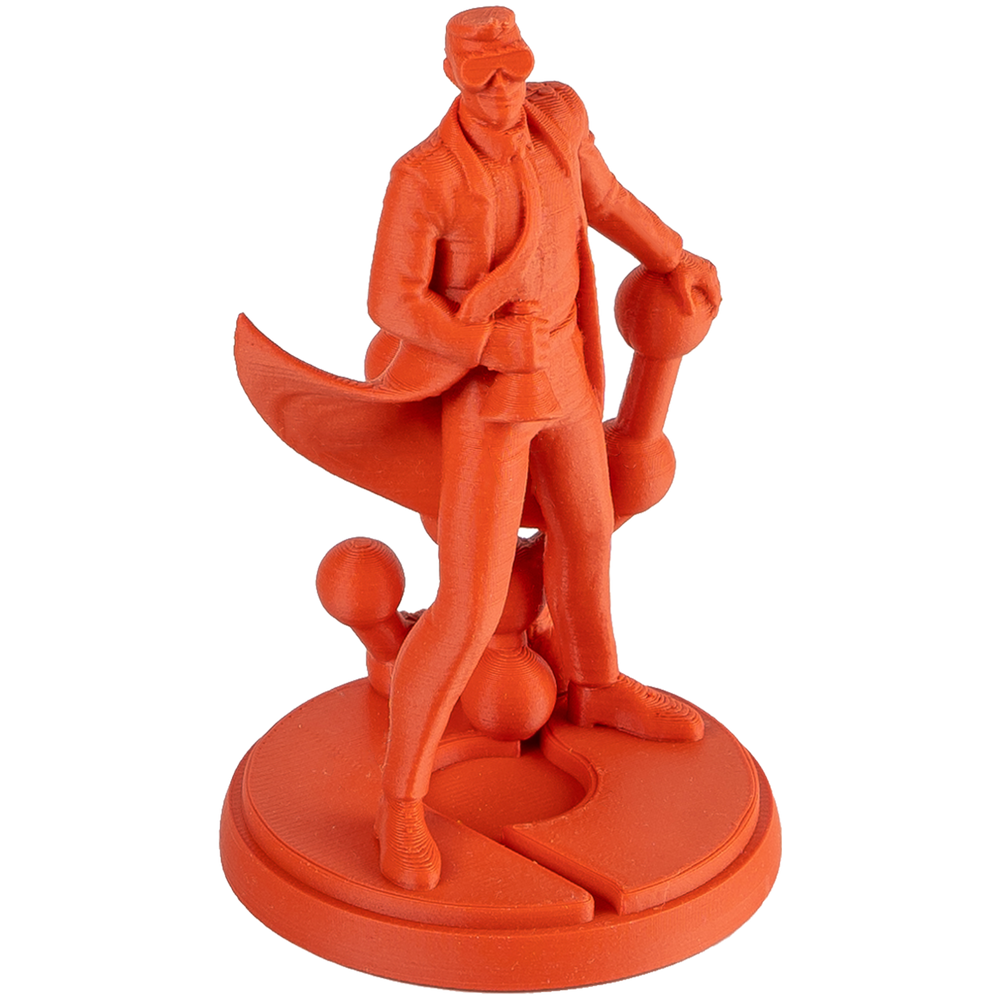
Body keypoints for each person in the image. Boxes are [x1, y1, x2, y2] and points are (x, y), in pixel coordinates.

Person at [365, 5, 721, 891]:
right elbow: (390, 300)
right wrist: (483, 343)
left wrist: (674, 256)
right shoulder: (424, 175)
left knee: (588, 535)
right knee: (469, 603)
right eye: (483, 76)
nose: (503, 91)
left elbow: (605, 199)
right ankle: (401, 802)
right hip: (487, 395)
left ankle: (597, 685)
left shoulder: (558, 118)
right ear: (453, 76)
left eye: (514, 70)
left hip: (563, 369)